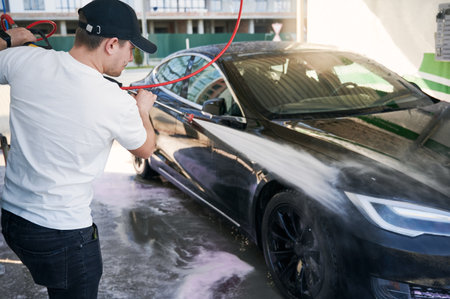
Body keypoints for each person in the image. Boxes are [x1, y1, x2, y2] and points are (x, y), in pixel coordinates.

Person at [0, 0, 157, 298]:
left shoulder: (24, 61)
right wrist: (143, 110)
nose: (132, 55)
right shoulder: (117, 102)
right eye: (131, 47)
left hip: (14, 222)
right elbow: (146, 149)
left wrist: (11, 39)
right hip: (63, 234)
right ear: (111, 44)